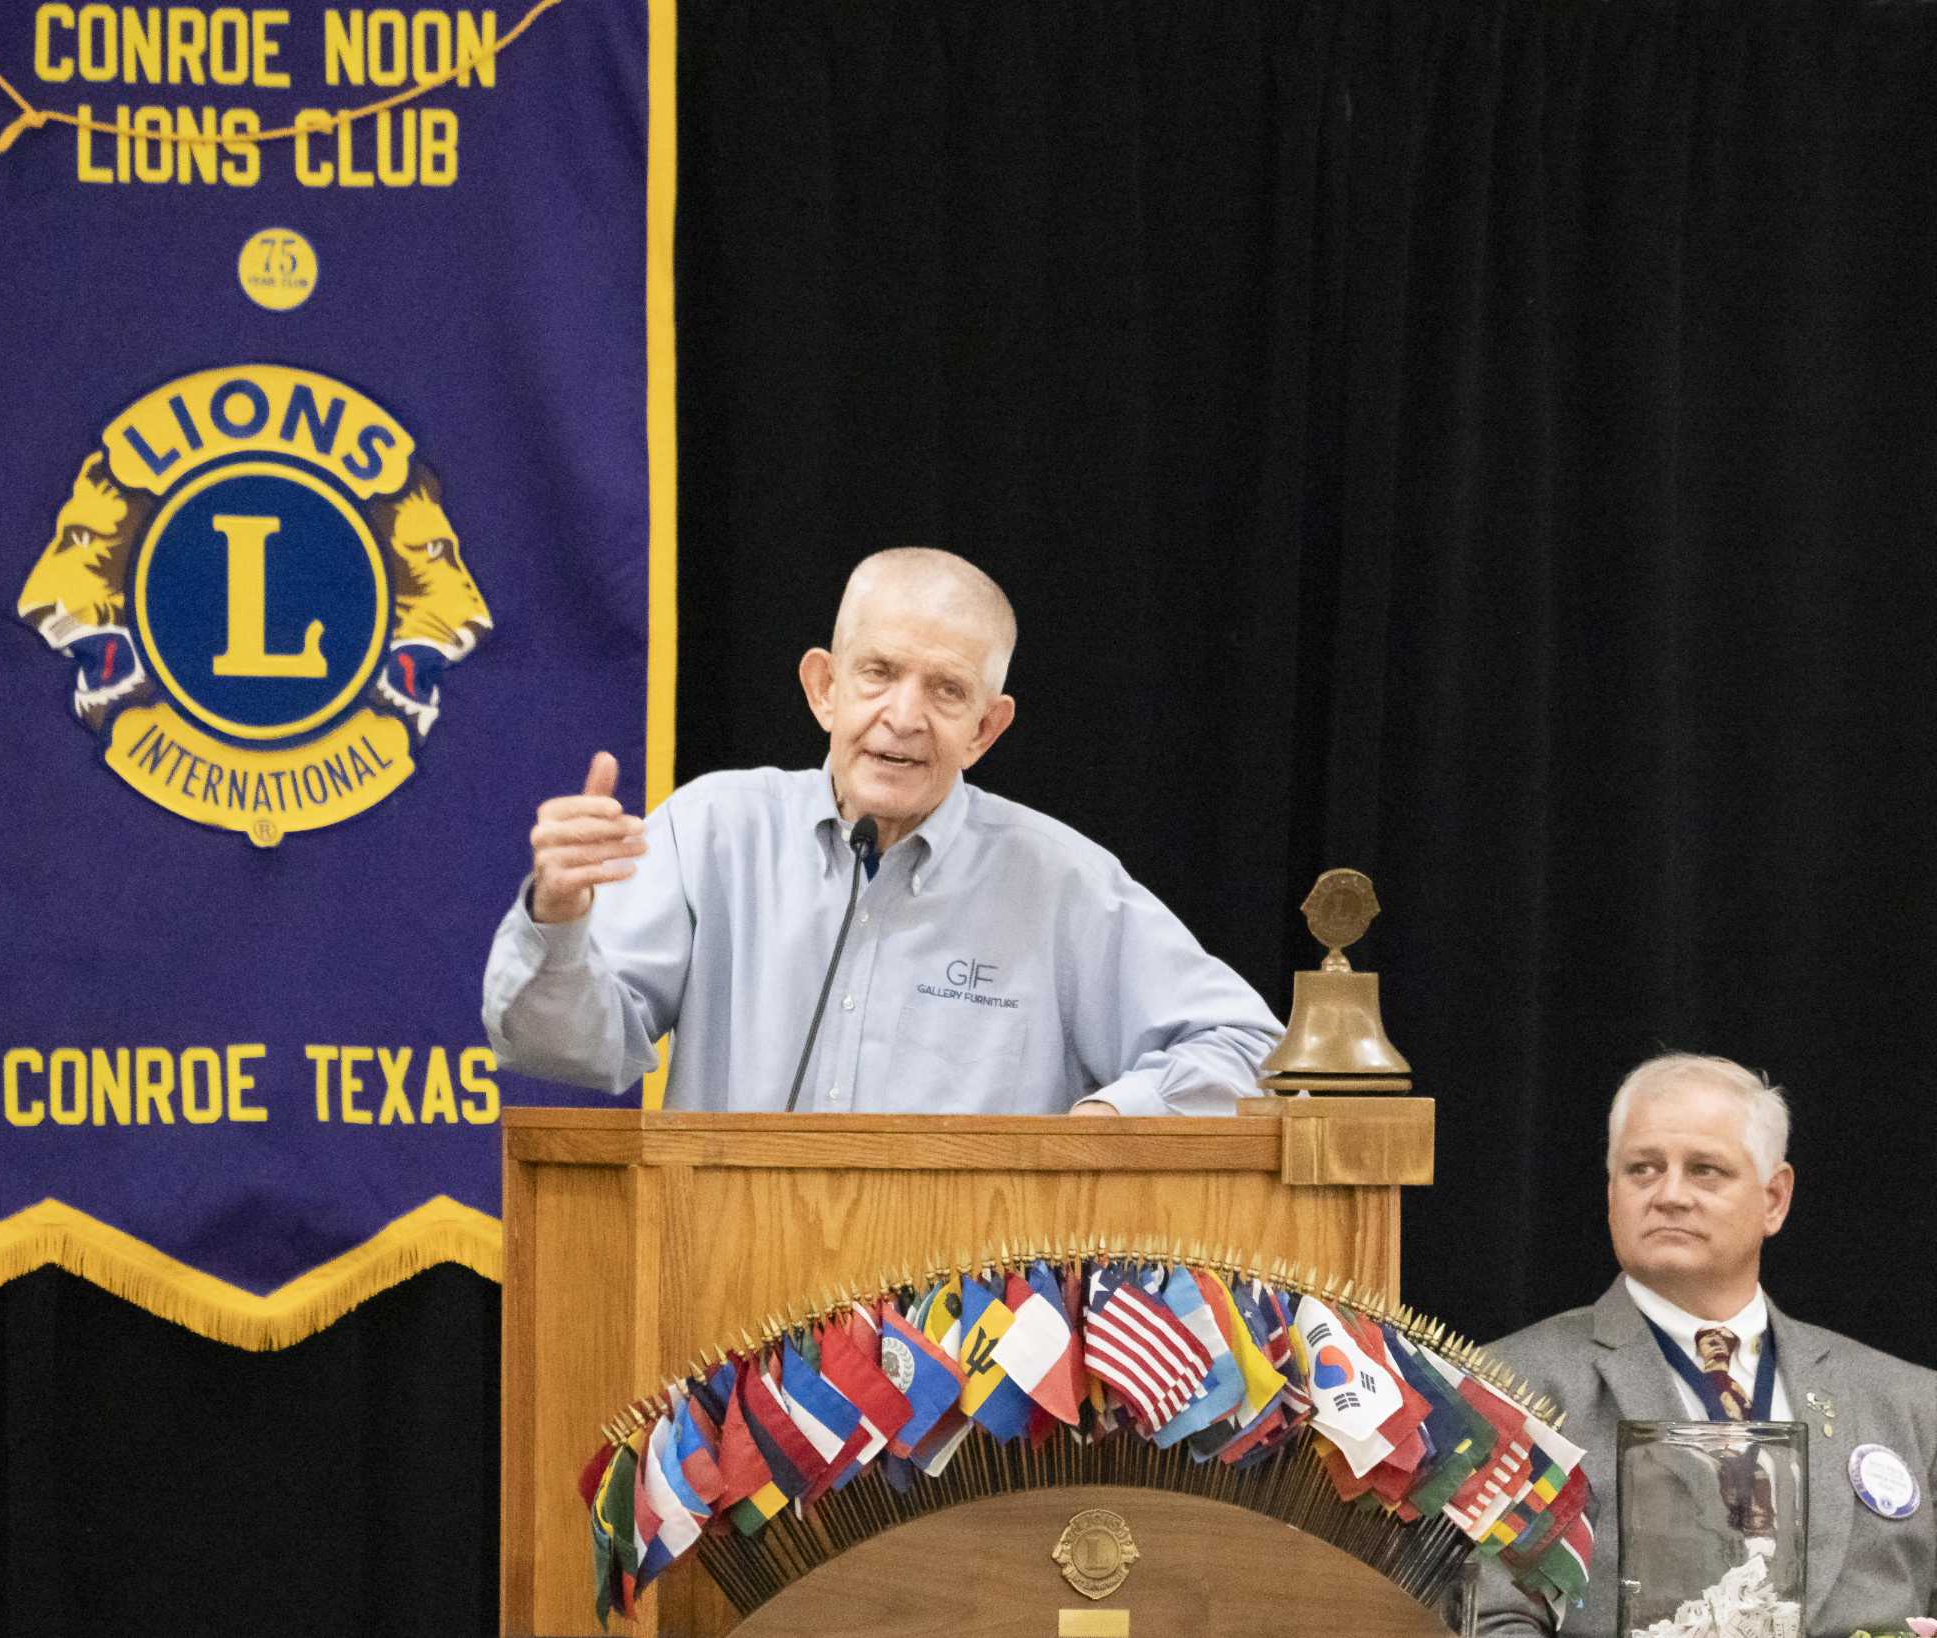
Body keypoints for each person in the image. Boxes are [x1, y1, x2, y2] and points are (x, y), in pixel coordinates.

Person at [482, 548, 1282, 1115]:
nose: (903, 717)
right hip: (729, 1308)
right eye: (879, 674)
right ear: (824, 688)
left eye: (945, 689)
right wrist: (558, 919)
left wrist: (1109, 1124)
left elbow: (1253, 1048)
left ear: (985, 729)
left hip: (964, 1336)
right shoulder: (716, 832)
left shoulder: (1060, 883)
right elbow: (568, 1051)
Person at [1477, 1053, 1937, 1637]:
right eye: (1642, 1168)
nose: (1670, 1194)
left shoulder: (1913, 1405)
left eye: (1705, 1170)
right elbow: (1491, 1621)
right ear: (1611, 1192)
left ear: (1774, 1199)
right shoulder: (1509, 1386)